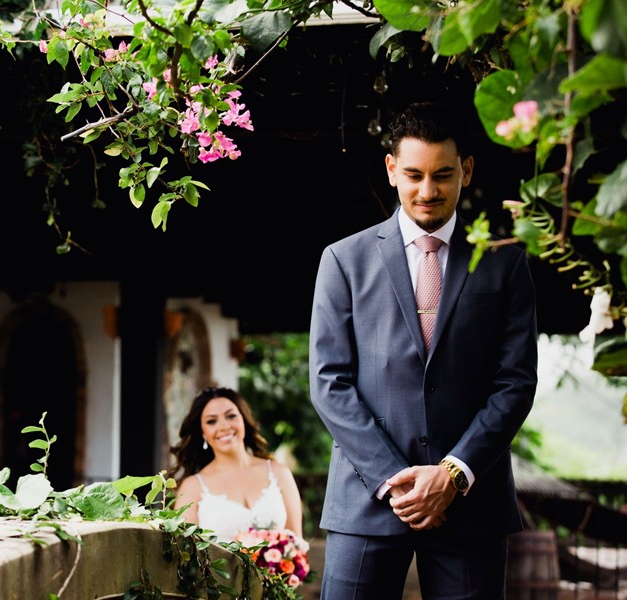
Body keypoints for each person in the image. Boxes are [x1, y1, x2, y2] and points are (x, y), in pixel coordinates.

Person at [308, 101, 538, 599]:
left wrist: (454, 474)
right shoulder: (343, 261)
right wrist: (394, 480)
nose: (427, 191)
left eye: (443, 175)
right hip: (367, 500)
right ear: (392, 170)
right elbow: (329, 383)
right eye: (413, 174)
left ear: (467, 171)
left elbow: (515, 384)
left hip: (472, 505)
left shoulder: (506, 266)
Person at [169, 386, 305, 544]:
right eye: (211, 421)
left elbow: (297, 545)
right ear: (203, 433)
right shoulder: (192, 486)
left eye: (231, 416)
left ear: (244, 420)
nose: (224, 426)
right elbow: (185, 555)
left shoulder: (278, 472)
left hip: (278, 569)